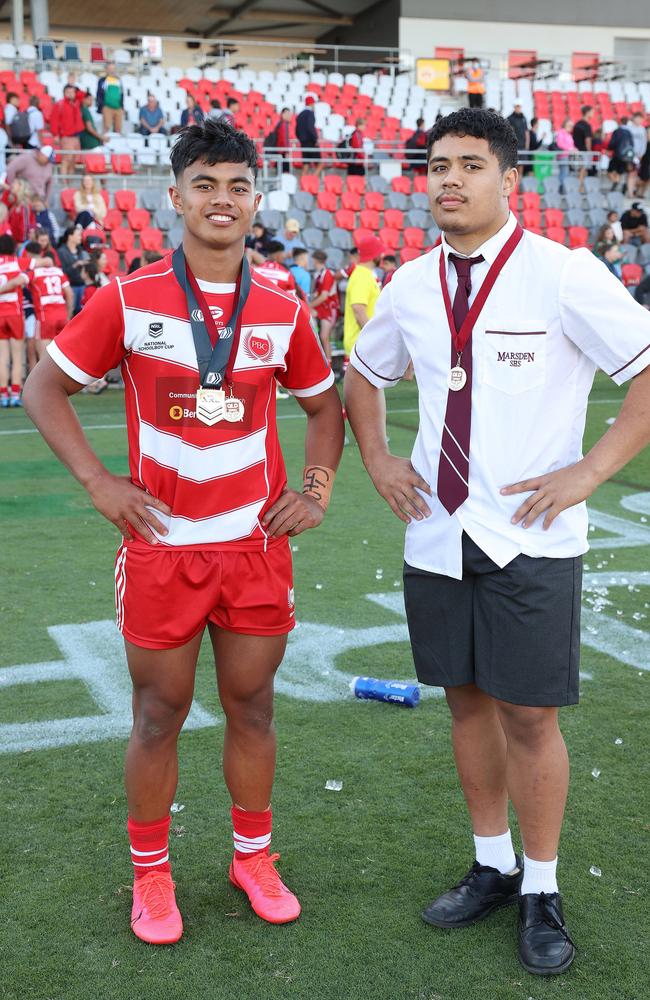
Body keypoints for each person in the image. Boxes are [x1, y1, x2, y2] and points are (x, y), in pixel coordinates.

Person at [344, 106, 650, 977]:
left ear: (509, 179)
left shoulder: (562, 274)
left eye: (470, 165)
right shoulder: (408, 284)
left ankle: (541, 888)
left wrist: (587, 474)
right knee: (465, 703)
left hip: (533, 540)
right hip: (438, 533)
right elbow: (362, 379)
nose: (449, 179)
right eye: (437, 164)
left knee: (528, 713)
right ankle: (491, 863)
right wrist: (377, 460)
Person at [23, 115, 344, 946]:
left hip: (254, 545)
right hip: (163, 545)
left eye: (238, 185)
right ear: (175, 196)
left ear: (256, 198)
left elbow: (322, 407)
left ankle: (252, 858)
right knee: (158, 714)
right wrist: (99, 480)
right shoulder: (129, 297)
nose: (222, 200)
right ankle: (153, 878)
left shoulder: (281, 302)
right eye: (205, 184)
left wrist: (315, 488)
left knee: (254, 706)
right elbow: (44, 389)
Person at [23, 240, 73, 360]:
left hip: (45, 317)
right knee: (64, 358)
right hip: (62, 316)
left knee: (44, 359)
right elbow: (69, 294)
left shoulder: (33, 273)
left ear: (28, 255)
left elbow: (19, 282)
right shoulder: (58, 271)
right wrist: (68, 315)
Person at [343, 233, 383, 360]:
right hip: (361, 345)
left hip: (363, 344)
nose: (382, 255)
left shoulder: (366, 274)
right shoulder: (362, 276)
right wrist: (373, 338)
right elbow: (359, 310)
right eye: (380, 252)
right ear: (374, 254)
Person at [0, 233, 29, 407]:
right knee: (17, 356)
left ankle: (3, 395)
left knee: (2, 356)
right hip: (15, 313)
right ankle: (15, 393)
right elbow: (44, 262)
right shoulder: (17, 262)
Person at [310, 249, 338, 363]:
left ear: (315, 260)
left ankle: (328, 364)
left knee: (324, 337)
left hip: (329, 308)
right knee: (317, 336)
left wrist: (309, 305)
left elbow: (324, 296)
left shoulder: (327, 274)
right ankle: (320, 363)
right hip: (321, 307)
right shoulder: (319, 274)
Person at [50, 85, 84, 174]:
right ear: (64, 93)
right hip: (66, 136)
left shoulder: (76, 103)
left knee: (73, 161)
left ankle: (70, 184)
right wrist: (55, 134)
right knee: (66, 160)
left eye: (72, 92)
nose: (71, 94)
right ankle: (65, 184)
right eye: (68, 92)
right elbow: (54, 120)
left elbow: (83, 94)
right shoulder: (59, 104)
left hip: (76, 136)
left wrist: (73, 86)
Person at [57, 224, 88, 314]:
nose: (80, 237)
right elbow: (61, 272)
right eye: (78, 235)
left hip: (82, 285)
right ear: (70, 236)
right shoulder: (61, 252)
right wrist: (76, 265)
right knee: (70, 313)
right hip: (70, 287)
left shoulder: (81, 250)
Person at [295, 94, 321, 175]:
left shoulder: (300, 114)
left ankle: (303, 182)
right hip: (311, 142)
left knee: (306, 165)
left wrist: (301, 139)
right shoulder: (310, 113)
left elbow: (296, 130)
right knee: (320, 163)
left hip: (303, 142)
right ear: (311, 103)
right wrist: (315, 139)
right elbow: (310, 127)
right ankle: (312, 180)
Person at [607, 117, 634, 192]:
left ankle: (616, 182)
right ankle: (619, 183)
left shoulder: (617, 131)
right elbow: (632, 145)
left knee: (610, 170)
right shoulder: (629, 132)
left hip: (617, 155)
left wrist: (609, 149)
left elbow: (612, 143)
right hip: (626, 156)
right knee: (619, 171)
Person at [96, 62, 124, 134]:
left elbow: (121, 94)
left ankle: (117, 144)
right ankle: (106, 144)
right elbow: (100, 93)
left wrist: (122, 107)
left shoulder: (118, 80)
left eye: (113, 69)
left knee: (118, 129)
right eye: (110, 69)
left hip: (118, 107)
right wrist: (102, 105)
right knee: (107, 128)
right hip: (107, 107)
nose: (112, 70)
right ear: (106, 70)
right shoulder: (103, 80)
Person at [572, 106, 594, 186]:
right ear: (587, 113)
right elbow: (588, 140)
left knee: (582, 171)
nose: (593, 114)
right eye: (592, 112)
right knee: (582, 170)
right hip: (584, 151)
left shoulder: (577, 124)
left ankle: (580, 188)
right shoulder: (586, 125)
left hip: (577, 151)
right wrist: (589, 152)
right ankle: (578, 189)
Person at [555, 118, 576, 192]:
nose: (570, 127)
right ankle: (561, 189)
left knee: (565, 173)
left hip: (568, 156)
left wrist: (574, 149)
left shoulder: (568, 134)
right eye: (569, 125)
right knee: (564, 173)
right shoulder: (561, 132)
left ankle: (563, 189)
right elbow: (560, 144)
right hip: (563, 156)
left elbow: (571, 145)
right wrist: (570, 149)